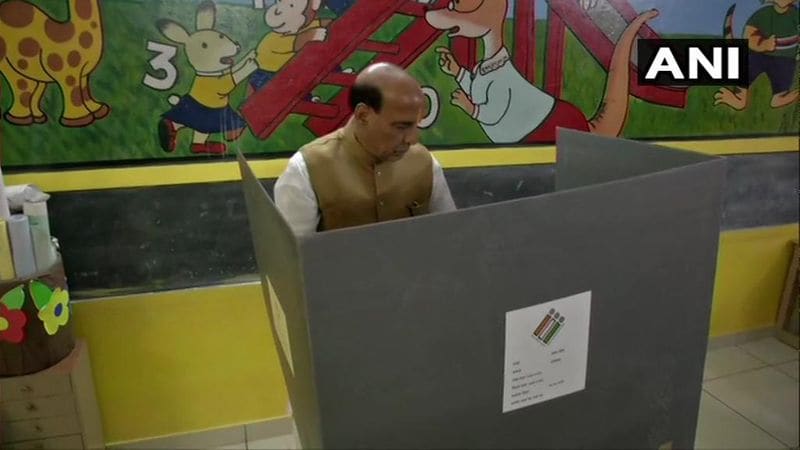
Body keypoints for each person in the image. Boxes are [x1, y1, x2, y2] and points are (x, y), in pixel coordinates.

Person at [274, 62, 457, 235]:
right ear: (363, 115)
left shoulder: (425, 163)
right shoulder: (306, 170)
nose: (412, 139)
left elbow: (451, 237)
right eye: (401, 127)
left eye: (416, 126)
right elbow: (292, 260)